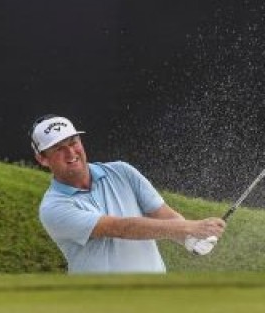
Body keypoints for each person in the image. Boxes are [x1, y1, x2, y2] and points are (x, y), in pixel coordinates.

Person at [31, 114, 226, 274]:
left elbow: (161, 213)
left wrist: (190, 240)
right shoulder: (53, 208)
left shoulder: (122, 171)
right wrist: (190, 227)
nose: (70, 152)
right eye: (58, 148)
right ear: (42, 159)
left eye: (73, 141)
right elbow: (119, 228)